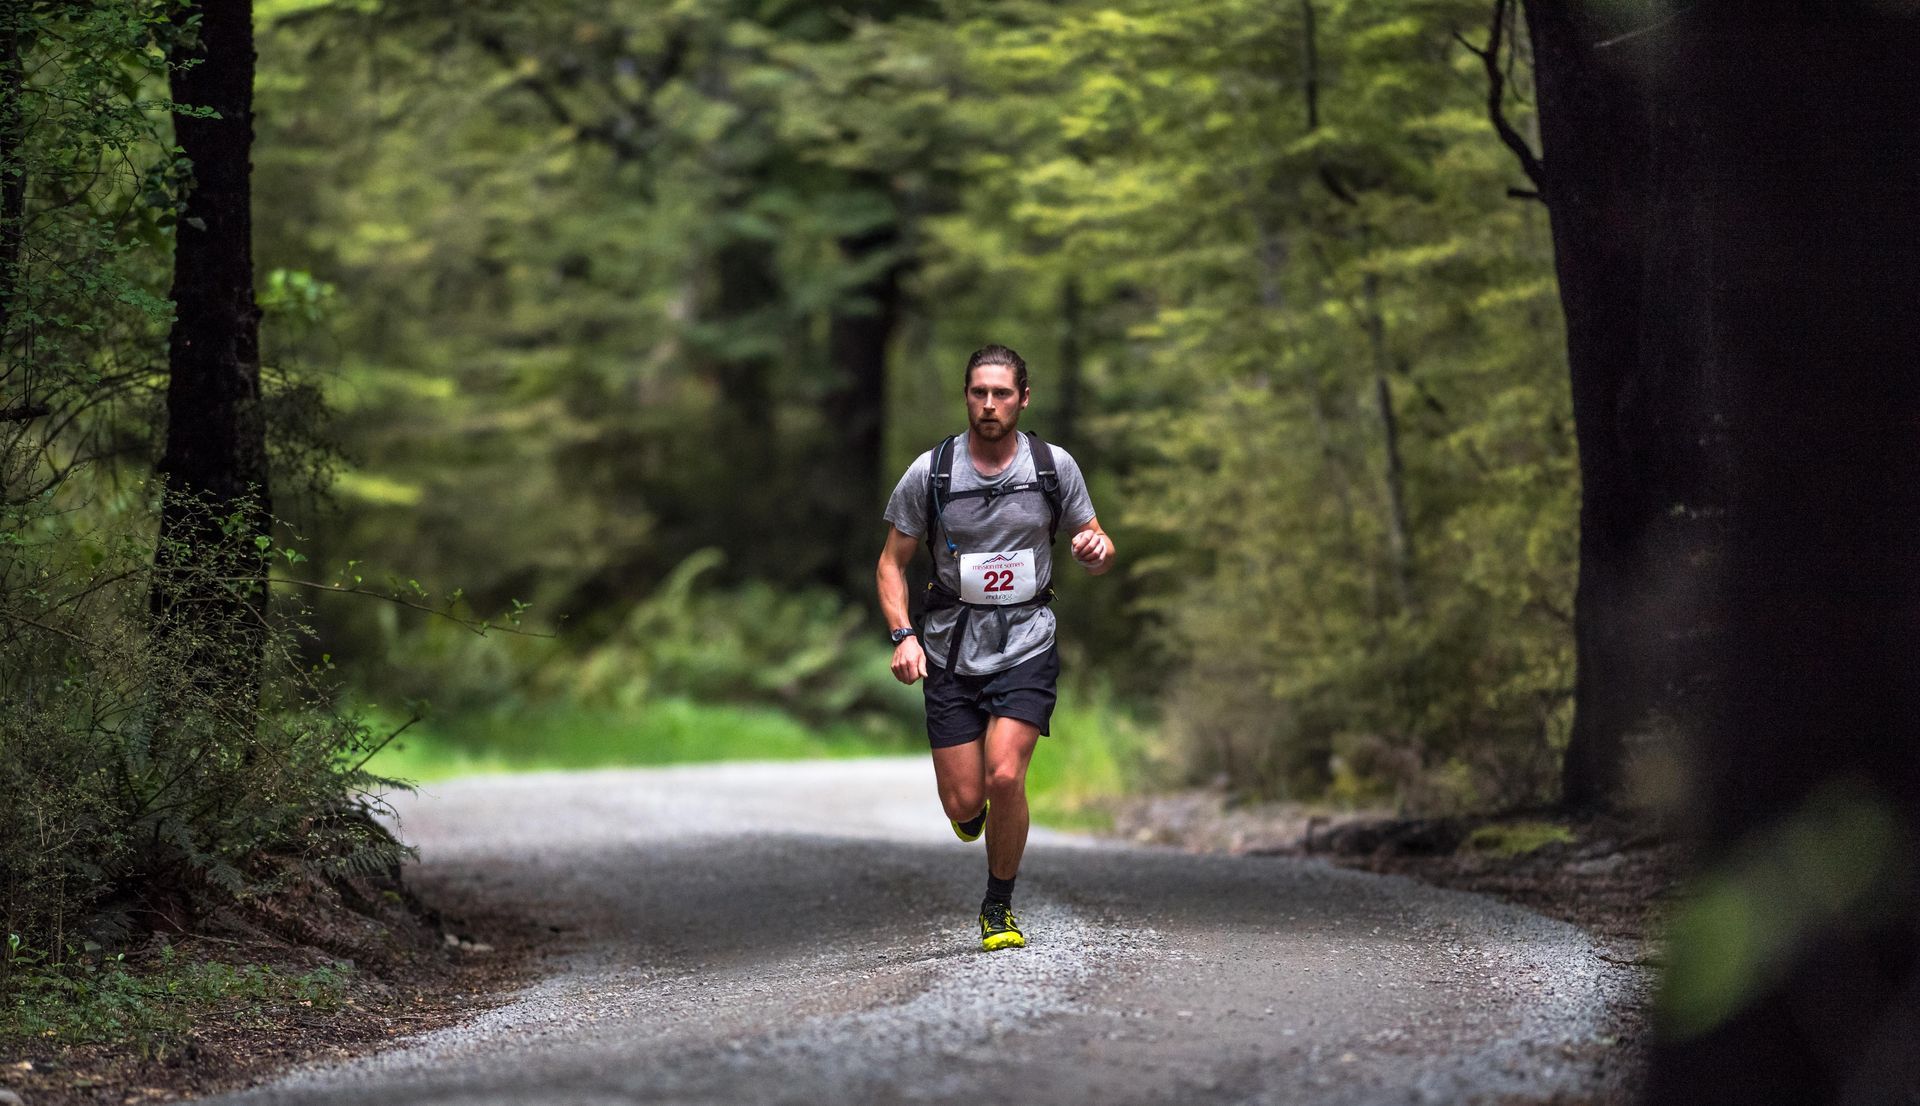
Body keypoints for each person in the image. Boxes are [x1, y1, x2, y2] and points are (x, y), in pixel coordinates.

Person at [875, 344, 1115, 951]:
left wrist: (1098, 550)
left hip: (1027, 640)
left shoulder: (1051, 466)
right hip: (950, 648)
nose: (989, 404)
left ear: (1023, 398)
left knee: (1006, 774)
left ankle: (998, 906)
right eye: (979, 392)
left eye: (1001, 393)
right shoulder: (930, 473)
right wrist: (903, 635)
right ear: (966, 397)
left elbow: (1094, 538)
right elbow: (890, 563)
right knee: (964, 799)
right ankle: (972, 815)